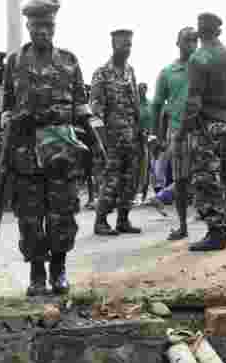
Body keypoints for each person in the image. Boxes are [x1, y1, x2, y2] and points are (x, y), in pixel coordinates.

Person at [1, 0, 102, 295]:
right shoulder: (14, 62)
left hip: (62, 149)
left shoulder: (69, 61)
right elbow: (7, 105)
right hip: (26, 151)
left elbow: (81, 105)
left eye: (49, 26)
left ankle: (58, 269)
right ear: (29, 28)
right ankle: (36, 274)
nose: (43, 31)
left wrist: (95, 139)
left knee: (62, 213)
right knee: (30, 216)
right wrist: (8, 129)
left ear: (54, 27)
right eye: (37, 26)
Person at [178, 13, 226, 251]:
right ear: (219, 30)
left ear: (200, 31)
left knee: (205, 179)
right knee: (222, 179)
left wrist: (181, 133)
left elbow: (193, 102)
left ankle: (216, 232)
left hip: (207, 124)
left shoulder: (198, 58)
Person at [90, 29, 143, 236]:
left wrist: (139, 129)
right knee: (110, 179)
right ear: (113, 45)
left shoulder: (130, 71)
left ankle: (123, 220)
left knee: (130, 180)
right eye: (123, 44)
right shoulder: (102, 73)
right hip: (111, 139)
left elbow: (135, 103)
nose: (127, 48)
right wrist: (103, 143)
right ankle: (101, 221)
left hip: (131, 136)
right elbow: (95, 111)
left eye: (129, 44)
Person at [151, 27, 199, 240]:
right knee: (180, 180)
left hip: (202, 131)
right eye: (187, 40)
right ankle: (182, 226)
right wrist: (156, 136)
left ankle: (217, 223)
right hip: (178, 133)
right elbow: (157, 105)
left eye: (194, 40)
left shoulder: (202, 69)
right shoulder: (168, 72)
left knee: (208, 177)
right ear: (178, 42)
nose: (192, 44)